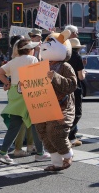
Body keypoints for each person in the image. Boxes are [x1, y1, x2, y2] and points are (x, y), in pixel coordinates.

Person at [0, 39, 43, 165]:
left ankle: (3, 152)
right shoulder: (32, 60)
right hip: (29, 92)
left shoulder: (13, 61)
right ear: (30, 49)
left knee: (14, 126)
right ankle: (40, 153)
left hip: (15, 94)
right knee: (36, 123)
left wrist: (7, 83)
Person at [34, 37, 78, 171]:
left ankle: (67, 155)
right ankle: (57, 162)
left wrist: (55, 77)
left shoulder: (65, 66)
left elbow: (72, 84)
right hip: (43, 104)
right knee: (43, 132)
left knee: (55, 132)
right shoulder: (41, 65)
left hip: (61, 106)